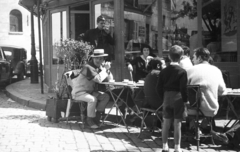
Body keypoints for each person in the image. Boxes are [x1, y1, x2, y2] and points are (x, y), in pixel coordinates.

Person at [156, 45, 188, 152]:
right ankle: (177, 147)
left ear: (169, 57)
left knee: (166, 122)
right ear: (181, 57)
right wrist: (185, 100)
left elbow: (158, 87)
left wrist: (163, 97)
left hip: (167, 97)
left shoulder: (163, 71)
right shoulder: (182, 71)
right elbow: (183, 88)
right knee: (177, 123)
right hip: (178, 97)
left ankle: (165, 146)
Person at [71, 49, 113, 129]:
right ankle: (89, 120)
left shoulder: (98, 68)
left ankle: (97, 118)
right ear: (92, 58)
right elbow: (98, 79)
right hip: (79, 92)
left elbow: (109, 79)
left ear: (103, 60)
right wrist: (105, 69)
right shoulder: (88, 67)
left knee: (105, 97)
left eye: (101, 58)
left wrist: (107, 69)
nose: (98, 60)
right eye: (96, 58)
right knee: (92, 99)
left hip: (89, 92)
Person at [187, 47, 226, 117]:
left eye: (194, 57)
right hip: (212, 110)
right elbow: (222, 90)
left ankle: (192, 125)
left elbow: (184, 89)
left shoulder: (190, 70)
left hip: (192, 109)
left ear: (199, 58)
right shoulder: (217, 70)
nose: (192, 60)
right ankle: (204, 124)